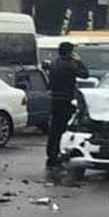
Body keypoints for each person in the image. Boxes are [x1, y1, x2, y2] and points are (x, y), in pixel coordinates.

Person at [46, 41, 89, 169]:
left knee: (54, 128)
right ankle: (59, 153)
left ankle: (51, 154)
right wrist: (78, 61)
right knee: (64, 128)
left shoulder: (54, 63)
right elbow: (85, 74)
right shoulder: (69, 64)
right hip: (66, 98)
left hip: (55, 97)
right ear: (70, 52)